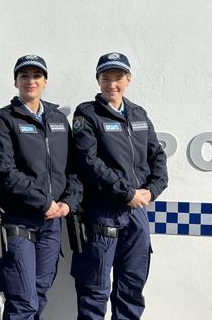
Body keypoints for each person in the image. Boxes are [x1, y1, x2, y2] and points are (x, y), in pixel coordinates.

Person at [70, 52, 168, 320]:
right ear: (98, 81)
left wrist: (152, 190)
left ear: (128, 79)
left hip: (137, 214)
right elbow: (89, 162)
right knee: (94, 289)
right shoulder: (87, 115)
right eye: (105, 78)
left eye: (117, 78)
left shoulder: (138, 114)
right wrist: (127, 193)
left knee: (132, 288)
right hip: (104, 212)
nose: (111, 84)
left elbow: (157, 155)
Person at [0, 55, 82, 320]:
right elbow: (4, 172)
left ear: (45, 81)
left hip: (52, 223)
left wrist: (68, 203)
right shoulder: (4, 120)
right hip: (19, 221)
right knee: (23, 301)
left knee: (39, 294)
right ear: (15, 81)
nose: (31, 81)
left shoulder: (58, 121)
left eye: (36, 76)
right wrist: (44, 202)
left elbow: (73, 169)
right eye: (24, 76)